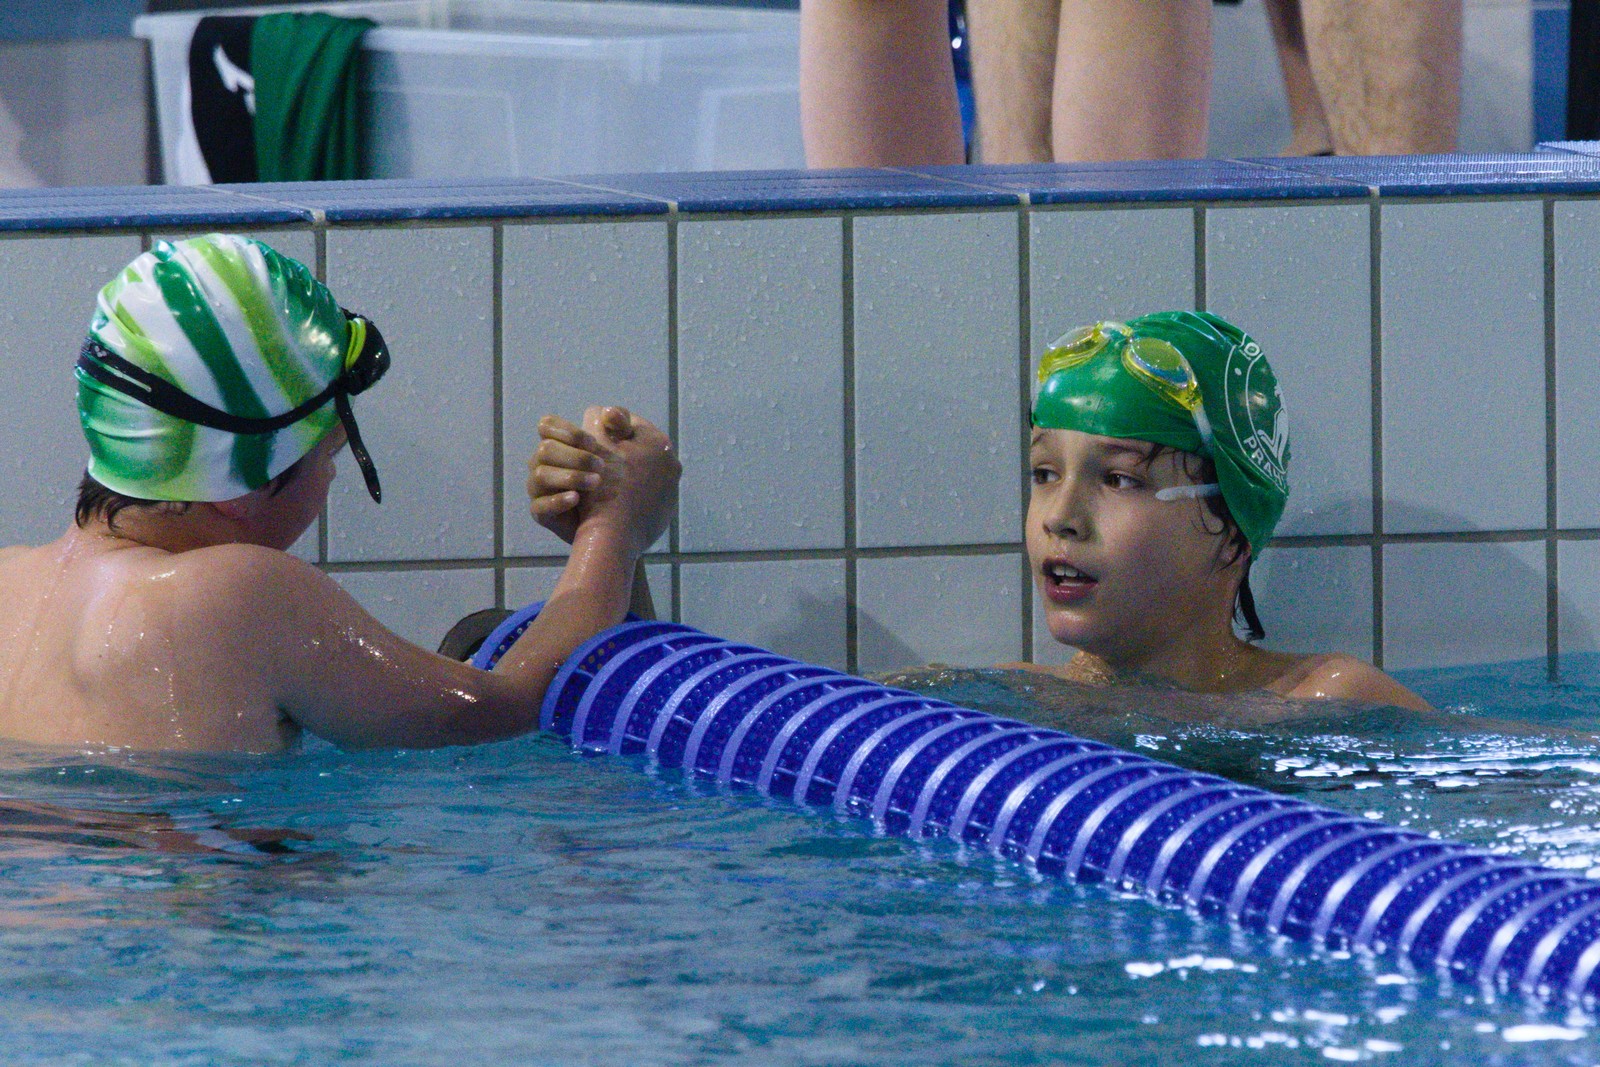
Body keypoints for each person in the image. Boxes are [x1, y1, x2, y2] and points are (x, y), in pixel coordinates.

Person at [0, 233, 678, 753]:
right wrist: (613, 532)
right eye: (330, 453)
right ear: (247, 479)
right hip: (206, 893)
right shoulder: (235, 593)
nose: (330, 478)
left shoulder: (9, 581)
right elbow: (499, 709)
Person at [1010, 310, 1427, 710]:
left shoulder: (1329, 702)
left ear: (1232, 528)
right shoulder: (1012, 706)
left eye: (1119, 480)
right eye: (1045, 474)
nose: (1059, 518)